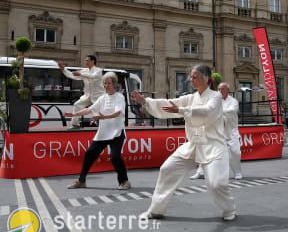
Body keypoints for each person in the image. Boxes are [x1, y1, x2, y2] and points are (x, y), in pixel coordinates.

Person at [131, 65, 236, 221]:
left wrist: (181, 110)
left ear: (207, 78)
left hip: (213, 145)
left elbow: (207, 112)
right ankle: (155, 210)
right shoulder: (190, 98)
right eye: (191, 77)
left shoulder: (216, 97)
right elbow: (169, 102)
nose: (192, 80)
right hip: (194, 143)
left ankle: (229, 209)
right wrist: (146, 101)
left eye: (196, 77)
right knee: (167, 169)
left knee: (216, 184)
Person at [64, 72, 131, 190]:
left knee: (115, 157)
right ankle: (81, 181)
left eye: (109, 83)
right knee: (89, 154)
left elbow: (118, 113)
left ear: (114, 84)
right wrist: (74, 114)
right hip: (103, 133)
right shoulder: (102, 98)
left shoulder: (119, 97)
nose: (106, 85)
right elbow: (89, 110)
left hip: (117, 133)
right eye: (105, 83)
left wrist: (103, 117)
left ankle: (124, 182)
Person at [190, 82, 243, 180]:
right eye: (219, 89)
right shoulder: (214, 100)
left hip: (230, 132)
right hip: (216, 132)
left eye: (222, 89)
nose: (220, 91)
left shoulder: (233, 101)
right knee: (205, 149)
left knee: (235, 152)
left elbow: (232, 111)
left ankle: (237, 172)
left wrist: (217, 112)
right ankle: (200, 172)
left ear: (227, 90)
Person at [58, 55, 105, 129]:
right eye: (85, 60)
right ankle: (75, 125)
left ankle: (103, 126)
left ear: (93, 61)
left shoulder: (98, 70)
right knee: (77, 105)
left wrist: (81, 74)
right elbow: (72, 75)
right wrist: (64, 69)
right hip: (87, 96)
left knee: (99, 110)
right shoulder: (85, 71)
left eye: (87, 60)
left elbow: (92, 77)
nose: (85, 62)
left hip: (98, 96)